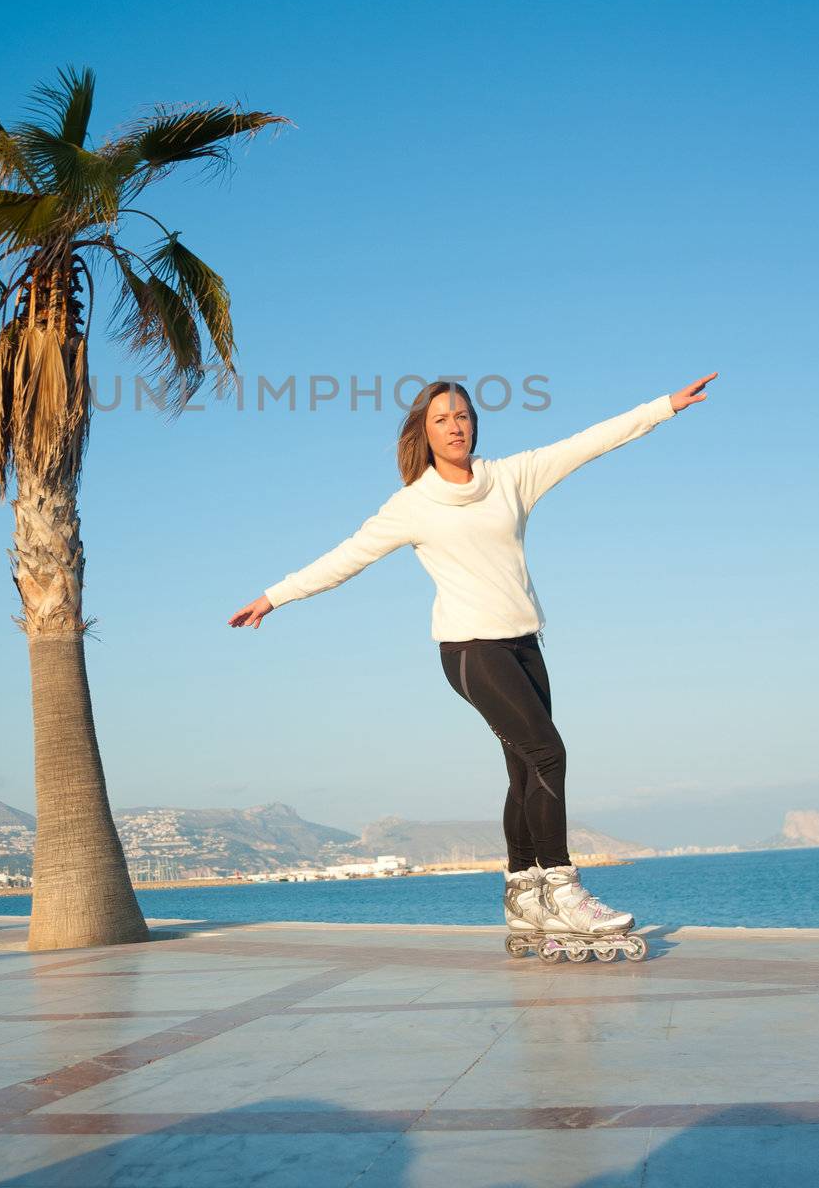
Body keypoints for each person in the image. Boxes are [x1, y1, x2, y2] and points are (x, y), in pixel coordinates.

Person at [229, 372, 717, 950]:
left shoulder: (511, 477)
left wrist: (665, 406)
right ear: (424, 432)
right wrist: (273, 597)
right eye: (441, 419)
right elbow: (345, 557)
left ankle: (523, 893)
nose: (454, 426)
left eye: (462, 416)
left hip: (524, 644)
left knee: (523, 769)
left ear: (474, 424)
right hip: (470, 650)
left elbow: (589, 441)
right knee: (548, 753)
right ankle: (564, 889)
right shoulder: (413, 505)